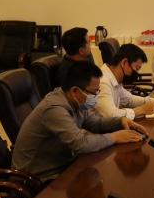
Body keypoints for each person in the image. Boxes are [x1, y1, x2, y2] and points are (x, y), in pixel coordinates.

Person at [12, 60, 146, 180]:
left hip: (62, 164)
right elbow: (80, 143)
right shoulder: (54, 109)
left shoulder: (76, 100)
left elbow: (95, 123)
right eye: (94, 92)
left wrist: (120, 121)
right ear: (75, 90)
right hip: (37, 178)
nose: (96, 96)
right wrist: (114, 137)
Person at [96, 43, 154, 120]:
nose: (136, 73)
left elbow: (129, 99)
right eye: (136, 68)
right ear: (124, 63)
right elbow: (110, 115)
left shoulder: (114, 78)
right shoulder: (103, 82)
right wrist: (141, 110)